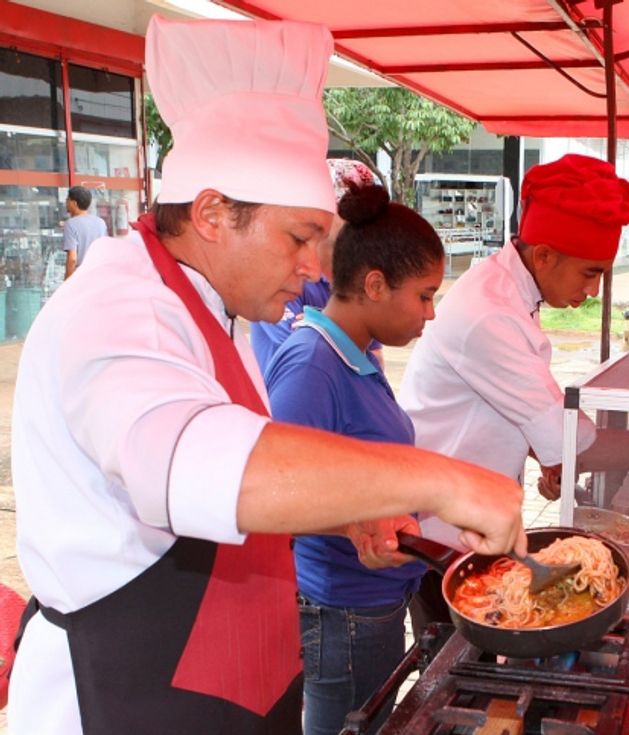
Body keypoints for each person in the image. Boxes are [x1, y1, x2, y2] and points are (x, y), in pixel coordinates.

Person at [9, 17, 525, 735]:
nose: (315, 267)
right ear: (216, 212)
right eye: (300, 237)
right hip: (124, 697)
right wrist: (438, 477)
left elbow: (254, 470)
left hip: (228, 687)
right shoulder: (118, 309)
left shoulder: (217, 306)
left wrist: (348, 511)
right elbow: (203, 463)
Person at [400, 154, 629, 515]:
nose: (595, 291)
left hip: (472, 502)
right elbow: (577, 447)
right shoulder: (490, 314)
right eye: (590, 273)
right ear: (545, 256)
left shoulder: (508, 287)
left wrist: (548, 454)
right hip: (439, 525)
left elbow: (524, 411)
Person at [263, 183, 440, 735]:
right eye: (425, 295)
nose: (431, 314)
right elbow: (275, 494)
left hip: (374, 602)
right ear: (374, 285)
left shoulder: (355, 353)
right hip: (341, 611)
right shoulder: (312, 365)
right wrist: (356, 525)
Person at [249, 158, 379, 373]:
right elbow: (308, 349)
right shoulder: (280, 267)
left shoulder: (359, 273)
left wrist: (325, 326)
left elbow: (374, 359)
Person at [62, 185, 108, 279]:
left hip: (81, 277)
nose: (66, 202)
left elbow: (72, 259)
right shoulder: (101, 222)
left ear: (74, 203)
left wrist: (67, 282)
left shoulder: (70, 224)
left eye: (68, 200)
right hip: (99, 275)